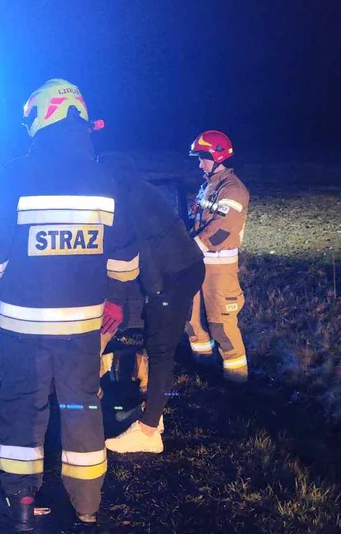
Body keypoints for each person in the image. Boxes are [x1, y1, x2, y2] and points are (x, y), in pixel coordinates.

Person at [0, 78, 139, 530]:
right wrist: (118, 301)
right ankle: (87, 504)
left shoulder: (16, 174)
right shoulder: (105, 178)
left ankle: (22, 504)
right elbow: (124, 252)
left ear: (41, 118)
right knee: (82, 406)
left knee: (23, 407)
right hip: (83, 325)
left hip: (21, 323)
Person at [100, 159, 205, 454]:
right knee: (156, 344)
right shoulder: (136, 187)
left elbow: (140, 250)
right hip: (184, 267)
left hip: (171, 276)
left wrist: (155, 293)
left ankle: (148, 434)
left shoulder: (122, 202)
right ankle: (152, 416)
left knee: (160, 350)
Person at [185, 130, 251, 382]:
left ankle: (236, 384)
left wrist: (189, 249)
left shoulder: (233, 189)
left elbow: (221, 230)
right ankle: (202, 370)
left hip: (219, 268)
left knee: (222, 326)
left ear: (218, 156)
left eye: (203, 157)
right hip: (197, 263)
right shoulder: (208, 185)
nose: (200, 163)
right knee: (190, 319)